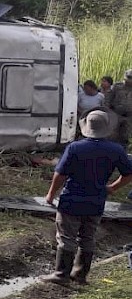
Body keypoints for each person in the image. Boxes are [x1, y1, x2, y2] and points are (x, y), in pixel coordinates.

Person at [42, 110, 132, 284]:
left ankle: (61, 275)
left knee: (66, 237)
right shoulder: (116, 150)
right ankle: (80, 275)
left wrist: (50, 195)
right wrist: (112, 188)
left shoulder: (75, 148)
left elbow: (60, 174)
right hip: (96, 201)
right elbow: (128, 174)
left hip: (71, 200)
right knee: (88, 238)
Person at [104, 69, 132, 146]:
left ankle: (122, 152)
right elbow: (108, 98)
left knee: (125, 137)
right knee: (112, 135)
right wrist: (108, 111)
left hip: (129, 117)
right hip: (116, 114)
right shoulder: (117, 86)